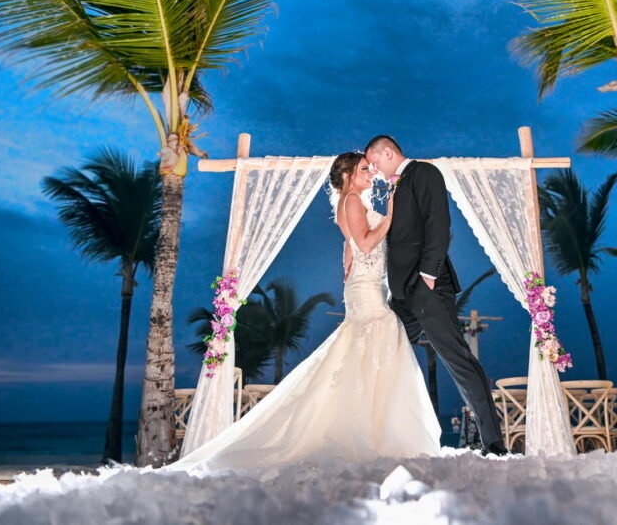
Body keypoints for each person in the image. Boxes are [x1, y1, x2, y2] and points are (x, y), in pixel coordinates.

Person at [169, 152, 440, 471]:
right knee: (381, 339)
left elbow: (352, 241)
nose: (371, 173)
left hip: (367, 284)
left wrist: (347, 256)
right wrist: (392, 213)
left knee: (368, 351)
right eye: (364, 169)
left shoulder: (351, 202)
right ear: (348, 175)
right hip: (367, 290)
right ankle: (376, 433)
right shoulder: (352, 199)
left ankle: (374, 429)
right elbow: (366, 243)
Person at [364, 135, 507, 456]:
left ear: (388, 153)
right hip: (401, 295)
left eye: (374, 163)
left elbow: (438, 223)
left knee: (457, 360)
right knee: (380, 353)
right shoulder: (392, 187)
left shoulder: (424, 173)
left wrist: (428, 274)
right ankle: (375, 435)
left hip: (428, 286)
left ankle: (493, 442)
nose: (373, 170)